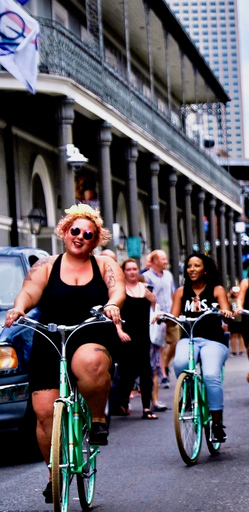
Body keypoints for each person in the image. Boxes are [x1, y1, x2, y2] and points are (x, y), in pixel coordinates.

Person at [3, 204, 124, 503]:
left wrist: (113, 304)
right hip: (50, 335)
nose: (80, 237)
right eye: (75, 231)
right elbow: (30, 291)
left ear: (95, 240)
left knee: (90, 361)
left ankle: (97, 419)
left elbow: (117, 289)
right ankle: (52, 474)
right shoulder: (46, 265)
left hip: (91, 330)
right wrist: (19, 307)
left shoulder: (104, 266)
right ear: (64, 231)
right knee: (44, 413)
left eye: (88, 233)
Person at [169, 254, 234, 442]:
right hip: (189, 338)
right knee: (180, 362)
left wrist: (226, 313)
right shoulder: (181, 292)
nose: (192, 269)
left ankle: (216, 422)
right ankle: (188, 394)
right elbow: (172, 321)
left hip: (214, 340)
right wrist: (165, 318)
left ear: (205, 269)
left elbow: (226, 314)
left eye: (196, 265)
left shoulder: (217, 289)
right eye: (189, 266)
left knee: (211, 375)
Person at [115, 258, 157, 419]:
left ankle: (146, 408)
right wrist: (119, 330)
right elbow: (115, 313)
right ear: (123, 272)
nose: (132, 272)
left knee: (146, 371)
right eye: (129, 269)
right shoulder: (120, 291)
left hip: (143, 336)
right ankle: (123, 401)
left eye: (134, 269)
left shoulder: (146, 289)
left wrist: (153, 301)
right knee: (127, 373)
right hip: (126, 337)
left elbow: (154, 313)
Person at [143, 250, 178, 388]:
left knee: (174, 343)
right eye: (163, 258)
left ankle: (165, 364)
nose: (166, 260)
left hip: (170, 314)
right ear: (155, 261)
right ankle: (163, 374)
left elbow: (173, 292)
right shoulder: (146, 276)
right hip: (156, 315)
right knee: (160, 345)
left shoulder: (168, 275)